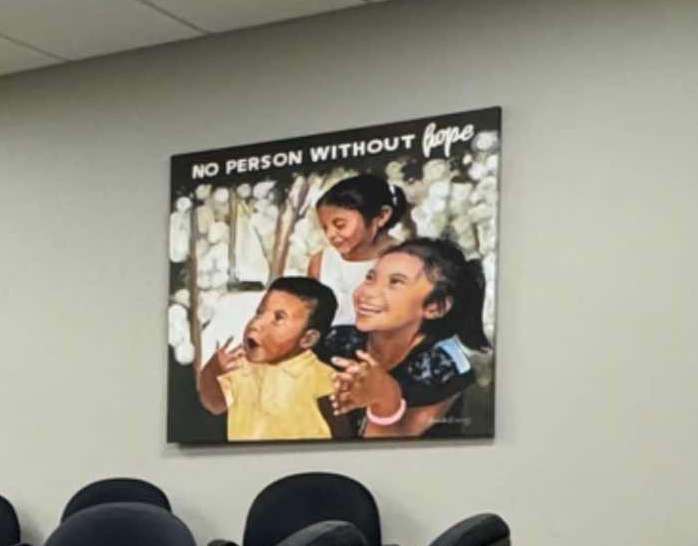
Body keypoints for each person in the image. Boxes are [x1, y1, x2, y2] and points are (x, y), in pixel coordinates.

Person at [316, 237, 488, 441]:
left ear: (436, 307)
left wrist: (385, 398)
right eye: (371, 278)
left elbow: (389, 448)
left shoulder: (443, 367)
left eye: (395, 282)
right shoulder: (337, 340)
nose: (366, 292)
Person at [193, 276, 340, 442]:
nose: (257, 324)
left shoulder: (320, 375)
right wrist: (214, 369)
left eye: (278, 318)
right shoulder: (238, 366)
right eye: (260, 312)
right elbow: (213, 404)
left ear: (308, 339)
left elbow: (341, 431)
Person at [304, 171, 415, 330]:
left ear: (382, 216)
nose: (330, 235)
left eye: (340, 225)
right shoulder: (320, 262)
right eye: (324, 227)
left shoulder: (408, 259)